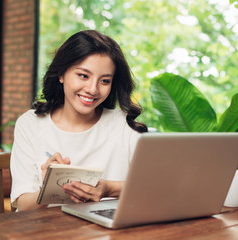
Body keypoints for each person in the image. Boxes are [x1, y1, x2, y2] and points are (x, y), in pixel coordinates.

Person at [10, 30, 148, 211]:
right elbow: (23, 206)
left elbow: (156, 186)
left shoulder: (123, 125)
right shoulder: (30, 124)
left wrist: (108, 189)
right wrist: (48, 188)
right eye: (83, 75)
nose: (92, 89)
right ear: (61, 74)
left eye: (104, 81)